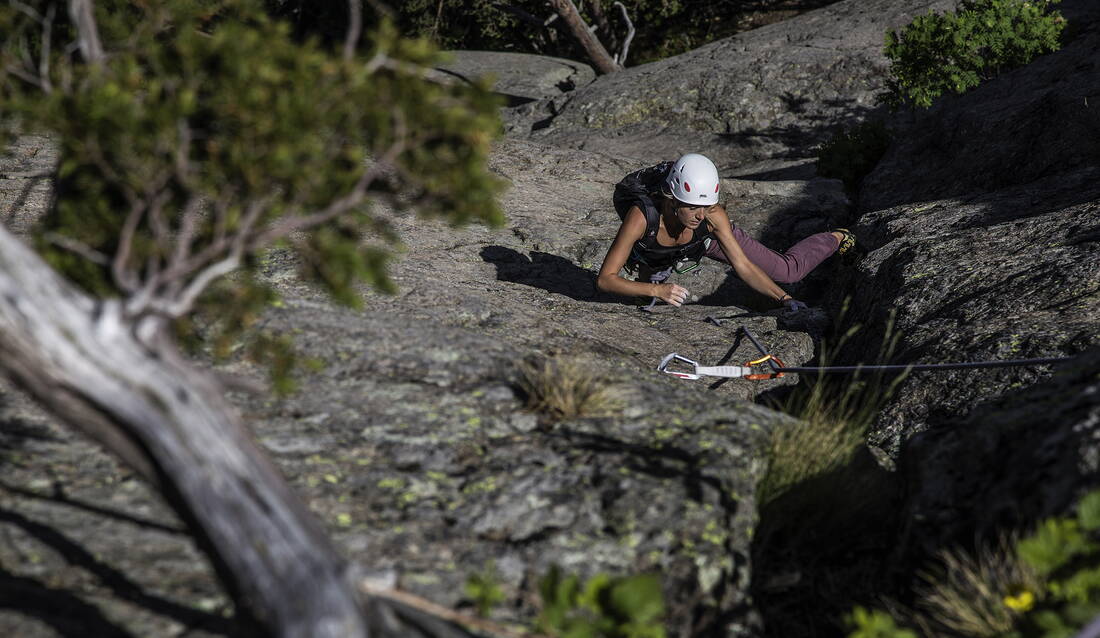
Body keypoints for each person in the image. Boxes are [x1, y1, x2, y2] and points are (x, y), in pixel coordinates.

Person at [596, 153, 855, 310]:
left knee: (788, 271)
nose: (701, 214)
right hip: (656, 249)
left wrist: (785, 299)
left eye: (707, 206)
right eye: (693, 207)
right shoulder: (642, 218)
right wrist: (655, 291)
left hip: (707, 242)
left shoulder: (710, 217)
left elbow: (741, 265)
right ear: (672, 200)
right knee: (645, 300)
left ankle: (837, 237)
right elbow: (606, 279)